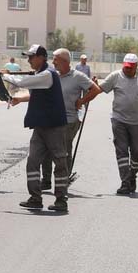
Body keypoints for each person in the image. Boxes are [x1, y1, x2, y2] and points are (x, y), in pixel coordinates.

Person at [0, 45, 70, 212]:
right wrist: (19, 99)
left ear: (42, 57)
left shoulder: (47, 75)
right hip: (40, 127)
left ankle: (61, 199)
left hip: (53, 127)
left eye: (32, 57)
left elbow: (24, 82)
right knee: (32, 162)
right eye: (28, 57)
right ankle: (35, 198)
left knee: (59, 162)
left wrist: (5, 76)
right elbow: (36, 94)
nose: (29, 60)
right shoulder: (40, 75)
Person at [30, 49, 101, 190]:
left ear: (64, 61)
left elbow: (95, 89)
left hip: (70, 120)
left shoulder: (78, 76)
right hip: (53, 120)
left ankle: (63, 182)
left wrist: (82, 100)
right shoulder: (53, 76)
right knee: (46, 150)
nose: (53, 62)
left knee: (63, 151)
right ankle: (47, 180)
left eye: (56, 59)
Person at [99, 53, 138, 195]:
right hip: (118, 120)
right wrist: (87, 92)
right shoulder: (115, 76)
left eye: (131, 68)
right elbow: (99, 89)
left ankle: (132, 176)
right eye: (126, 67)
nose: (127, 70)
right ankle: (124, 181)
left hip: (136, 122)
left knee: (136, 150)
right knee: (121, 150)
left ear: (136, 66)